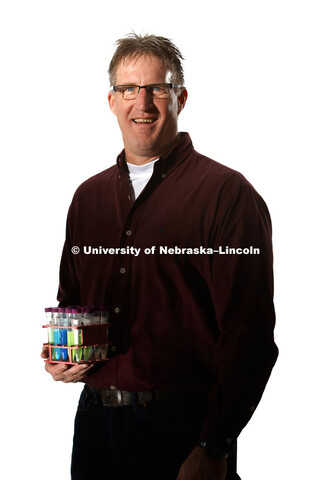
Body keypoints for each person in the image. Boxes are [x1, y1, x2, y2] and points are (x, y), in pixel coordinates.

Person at [42, 33, 278, 480]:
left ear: (180, 98)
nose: (142, 102)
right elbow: (72, 300)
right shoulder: (87, 198)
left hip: (181, 428)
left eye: (158, 88)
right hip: (94, 425)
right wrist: (62, 355)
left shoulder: (227, 195)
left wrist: (214, 444)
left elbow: (249, 336)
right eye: (129, 89)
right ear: (111, 100)